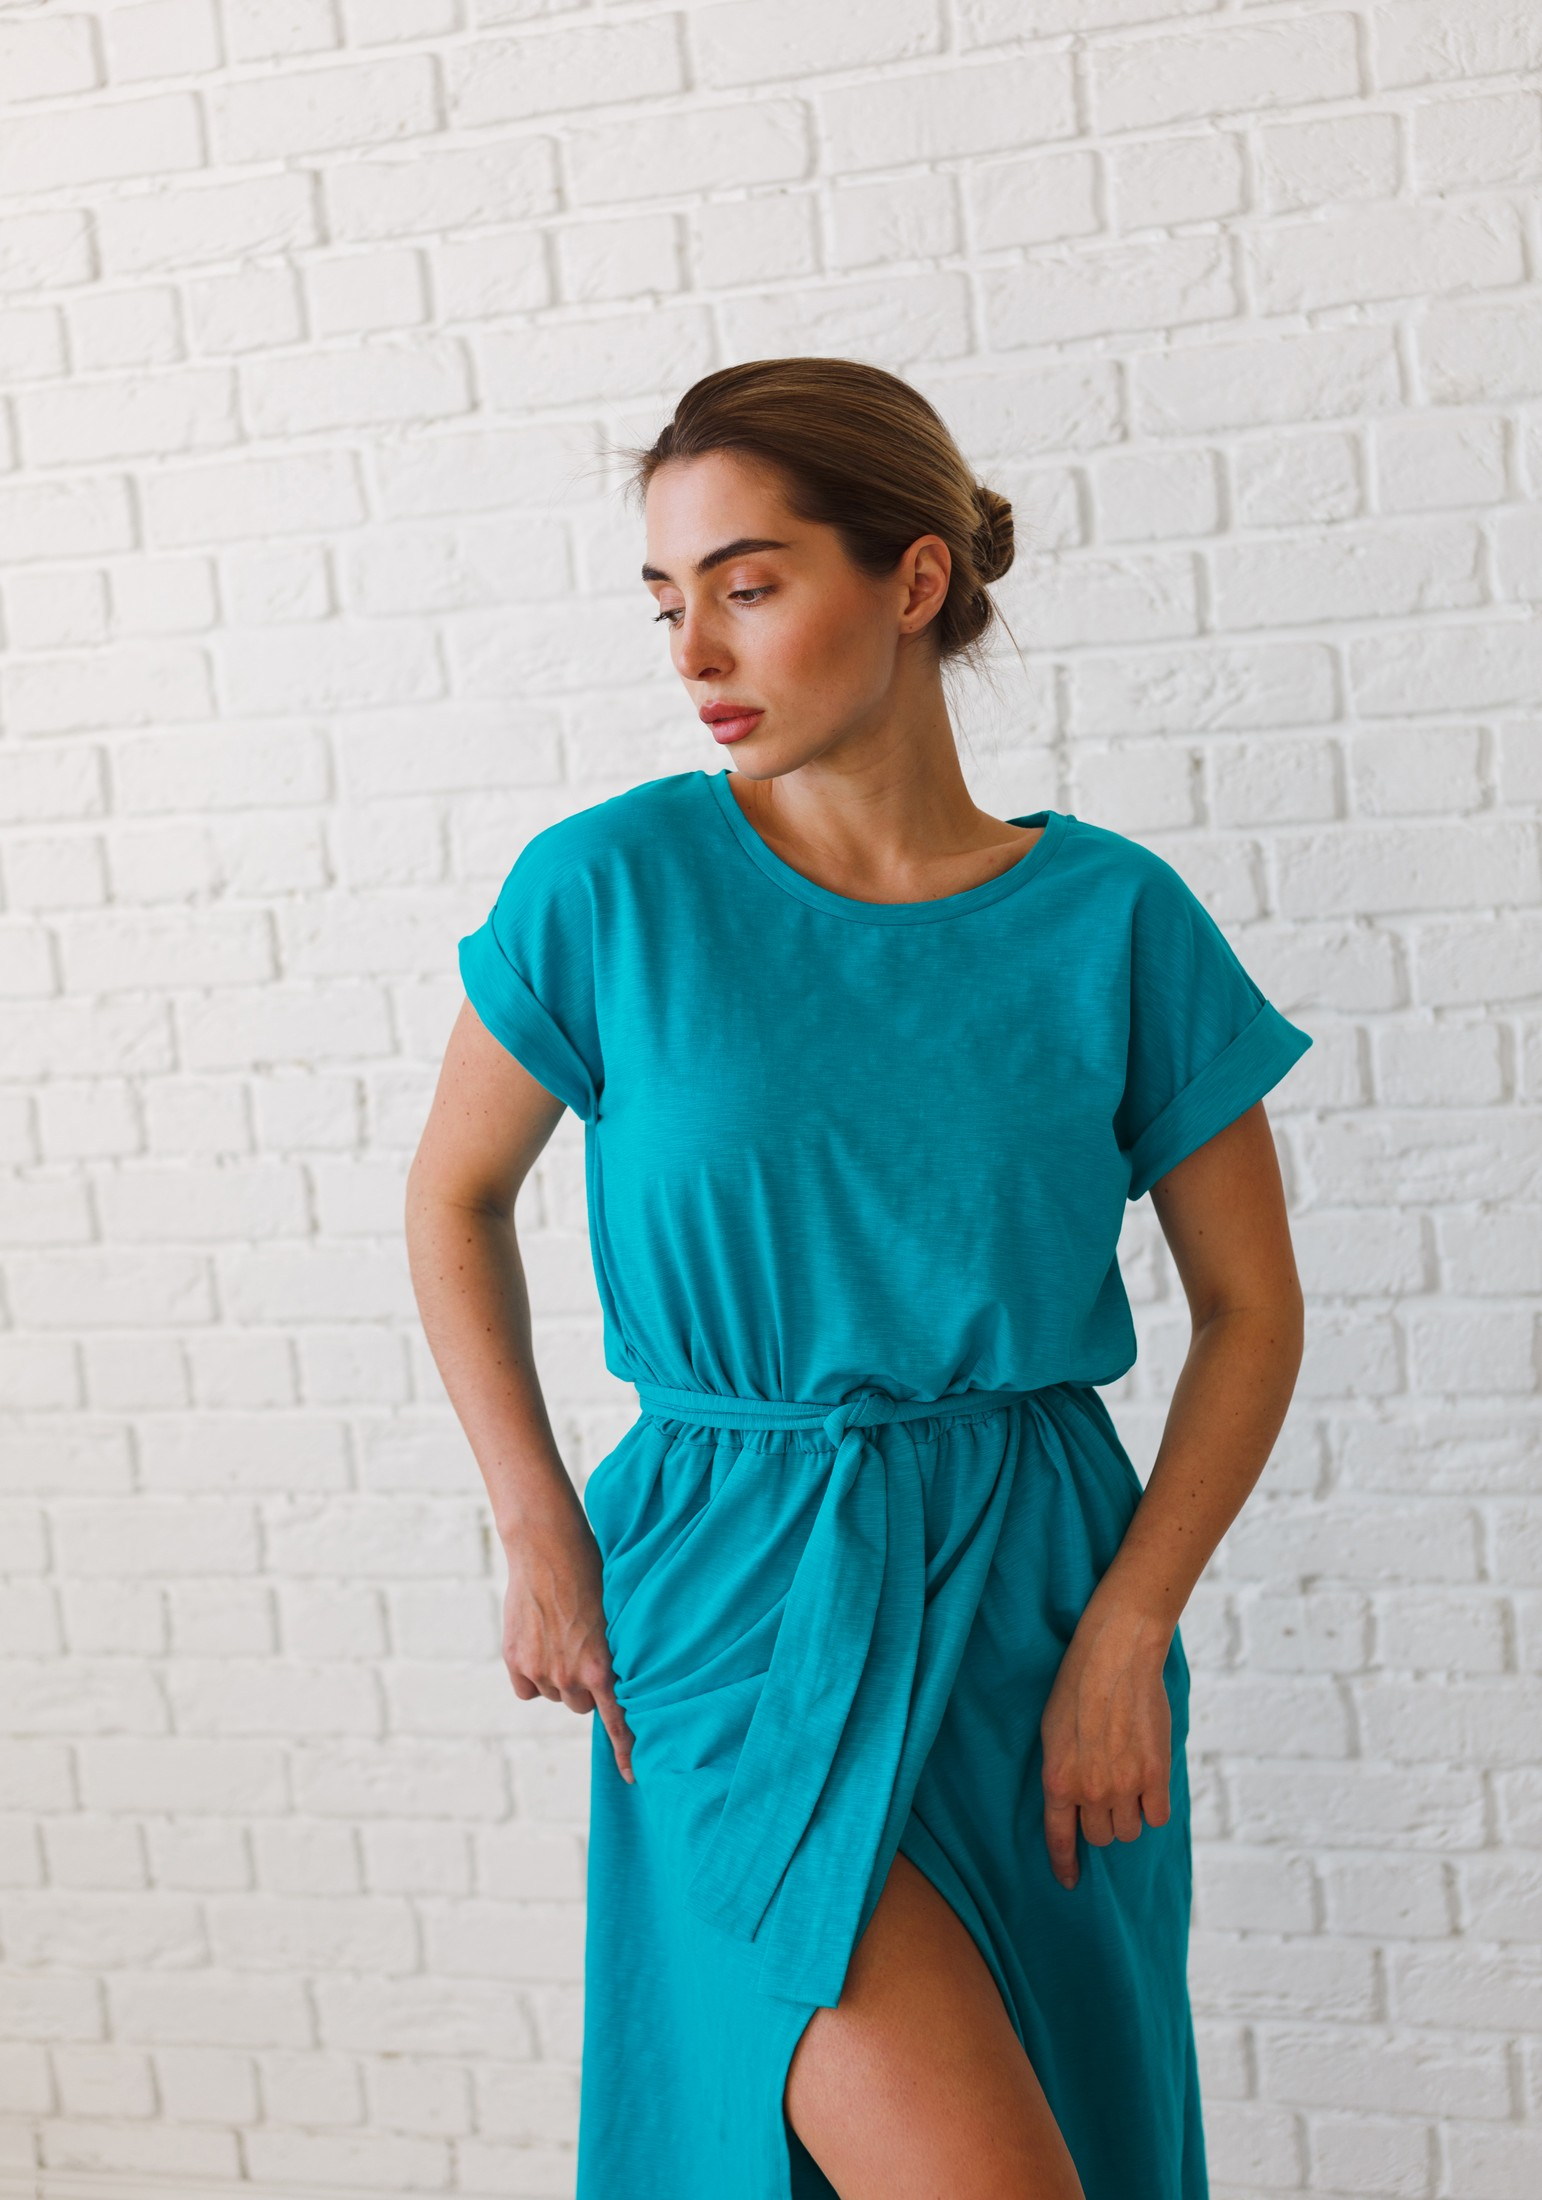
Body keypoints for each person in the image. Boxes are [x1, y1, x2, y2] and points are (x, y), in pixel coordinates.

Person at [405, 357, 1311, 2200]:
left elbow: (1249, 1308)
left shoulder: (1112, 919)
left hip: (1040, 1598)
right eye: (666, 601)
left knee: (1075, 2119)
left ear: (911, 580)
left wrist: (1126, 1630)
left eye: (746, 585)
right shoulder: (610, 888)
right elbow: (454, 1197)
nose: (694, 651)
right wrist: (537, 1524)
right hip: (726, 1594)